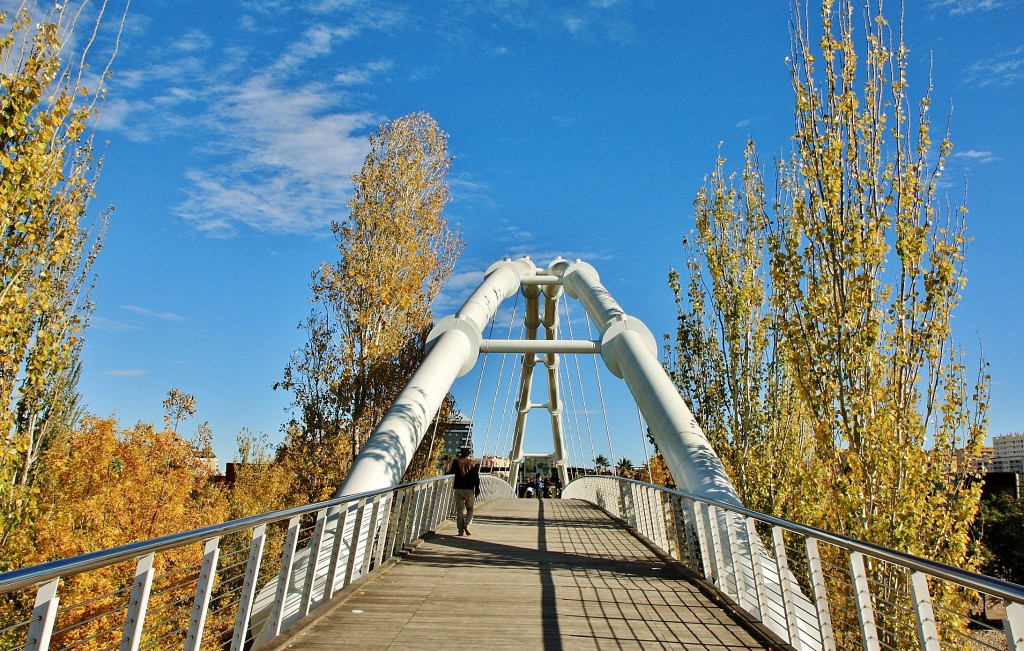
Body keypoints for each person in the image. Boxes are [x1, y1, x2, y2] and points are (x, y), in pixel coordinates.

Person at [449, 448, 480, 536]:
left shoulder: (456, 462)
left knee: (459, 510)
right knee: (470, 509)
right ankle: (467, 525)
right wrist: (477, 489)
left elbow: (452, 472)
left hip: (458, 488)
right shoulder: (473, 463)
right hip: (469, 489)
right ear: (469, 454)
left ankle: (460, 530)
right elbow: (476, 478)